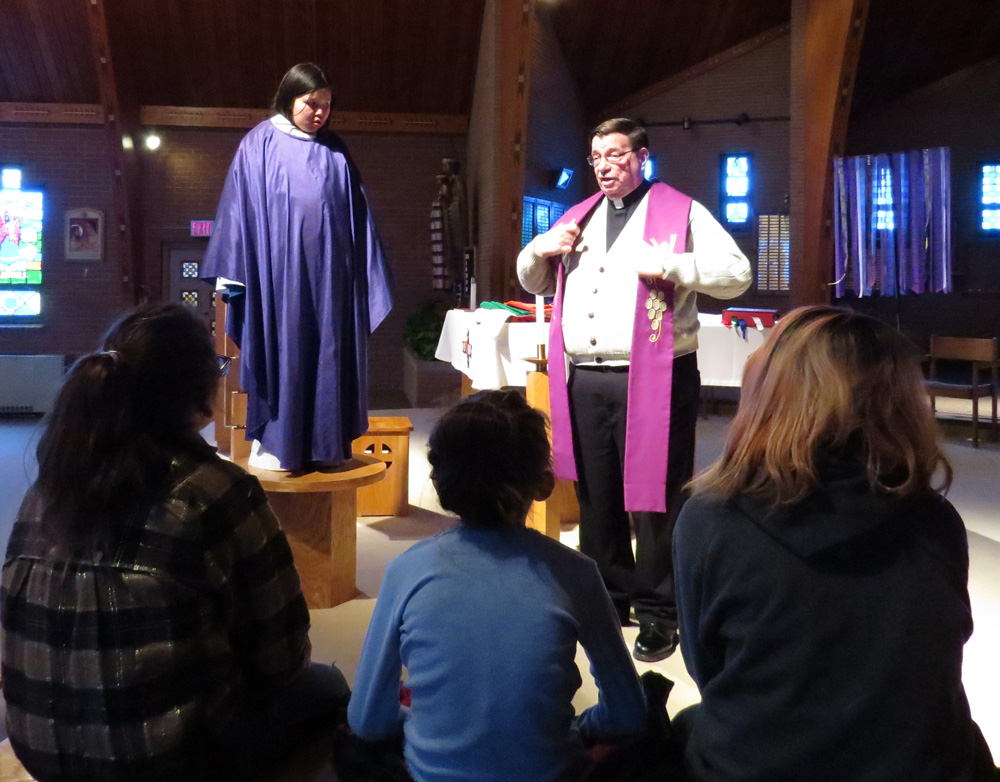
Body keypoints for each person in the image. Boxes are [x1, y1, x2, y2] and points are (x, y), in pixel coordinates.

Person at [1, 303, 350, 781]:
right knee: (328, 686)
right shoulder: (217, 491)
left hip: (40, 750)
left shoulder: (45, 492)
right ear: (198, 397)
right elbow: (282, 657)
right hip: (172, 763)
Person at [673, 306, 998, 781]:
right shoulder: (936, 520)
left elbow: (707, 668)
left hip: (756, 766)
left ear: (771, 390)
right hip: (922, 765)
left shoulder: (712, 518)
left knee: (681, 727)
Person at [517, 117, 751, 662]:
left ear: (642, 157)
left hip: (657, 374)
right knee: (597, 494)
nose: (604, 165)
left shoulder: (680, 210)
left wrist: (671, 263)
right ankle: (609, 596)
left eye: (617, 155)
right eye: (597, 155)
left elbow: (737, 273)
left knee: (656, 496)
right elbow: (531, 280)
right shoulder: (578, 215)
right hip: (588, 375)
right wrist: (540, 249)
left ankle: (659, 610)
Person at [347, 390, 649, 782]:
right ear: (543, 483)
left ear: (440, 482)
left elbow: (367, 720)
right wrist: (579, 727)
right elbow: (628, 712)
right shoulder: (575, 573)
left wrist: (418, 720)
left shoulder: (406, 571)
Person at [202, 62, 393, 472]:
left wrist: (359, 275)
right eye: (311, 103)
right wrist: (232, 276)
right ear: (289, 98)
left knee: (328, 354)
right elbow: (238, 212)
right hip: (279, 284)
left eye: (326, 105)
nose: (320, 113)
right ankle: (277, 443)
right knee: (283, 351)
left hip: (330, 284)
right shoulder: (258, 145)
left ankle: (327, 444)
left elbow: (359, 220)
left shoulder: (336, 150)